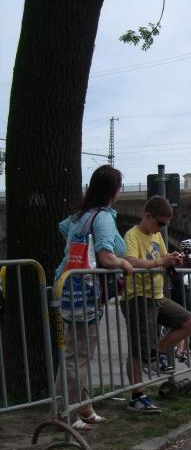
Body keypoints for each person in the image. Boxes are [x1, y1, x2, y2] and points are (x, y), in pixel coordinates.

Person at [54, 165, 133, 431]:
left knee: (74, 352)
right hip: (85, 290)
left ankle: (81, 405)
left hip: (69, 286)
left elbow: (63, 228)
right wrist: (123, 264)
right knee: (79, 354)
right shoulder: (103, 218)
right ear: (114, 190)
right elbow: (106, 257)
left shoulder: (81, 215)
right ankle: (67, 413)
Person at [122, 196, 191, 413]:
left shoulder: (156, 234)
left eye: (166, 225)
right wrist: (159, 262)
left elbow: (163, 257)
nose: (162, 228)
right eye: (161, 223)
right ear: (147, 216)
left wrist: (172, 259)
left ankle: (156, 353)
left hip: (157, 296)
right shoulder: (132, 235)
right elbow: (130, 261)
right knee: (137, 349)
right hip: (138, 296)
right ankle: (137, 396)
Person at [172, 239, 191, 364]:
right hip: (186, 294)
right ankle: (180, 350)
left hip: (175, 293)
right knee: (187, 323)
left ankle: (182, 350)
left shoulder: (179, 258)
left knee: (183, 322)